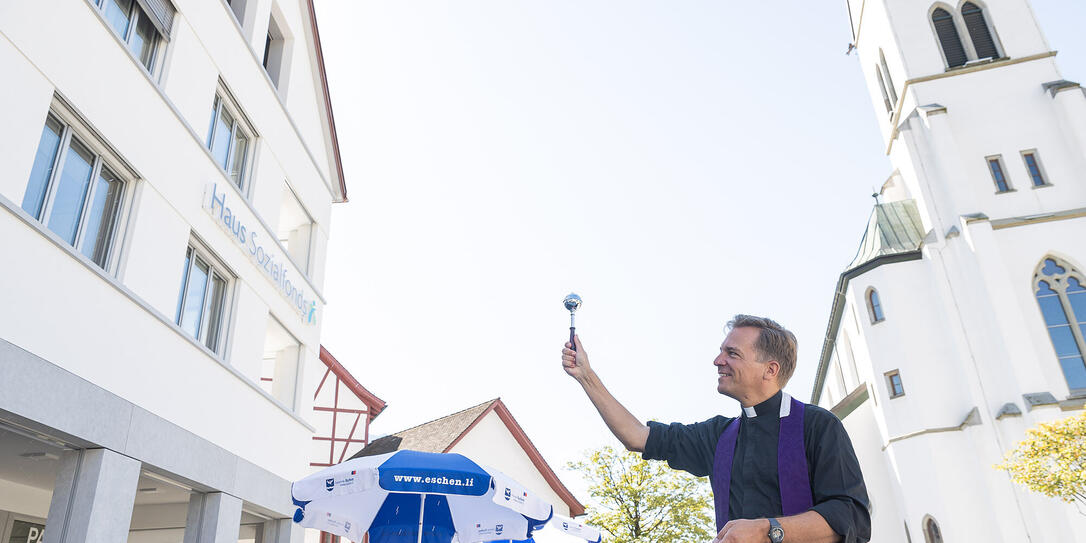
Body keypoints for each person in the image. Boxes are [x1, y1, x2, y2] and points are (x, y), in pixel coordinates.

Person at [561, 314, 871, 543]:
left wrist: (767, 530)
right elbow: (637, 436)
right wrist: (586, 375)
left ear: (770, 370)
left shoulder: (818, 426)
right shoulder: (718, 436)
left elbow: (852, 517)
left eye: (732, 353)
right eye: (722, 351)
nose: (717, 360)